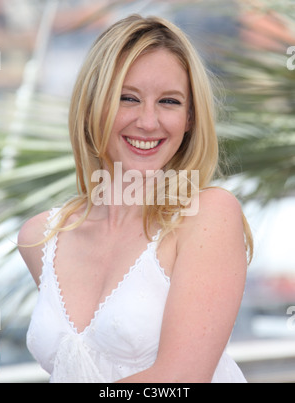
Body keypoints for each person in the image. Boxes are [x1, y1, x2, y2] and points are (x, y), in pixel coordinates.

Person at [18, 14, 253, 383]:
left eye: (169, 102)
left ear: (190, 117)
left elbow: (180, 381)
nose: (147, 121)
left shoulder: (208, 215)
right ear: (93, 105)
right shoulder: (40, 237)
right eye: (128, 98)